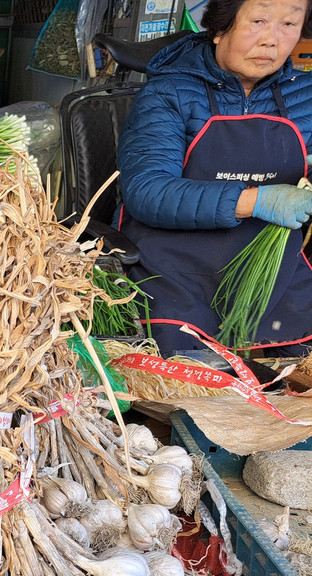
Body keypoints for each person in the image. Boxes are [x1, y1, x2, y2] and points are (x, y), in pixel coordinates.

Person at [117, 0, 312, 356]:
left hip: (273, 275)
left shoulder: (306, 97)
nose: (272, 40)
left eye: (289, 24)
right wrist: (258, 201)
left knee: (293, 380)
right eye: (258, 21)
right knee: (185, 381)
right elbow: (148, 191)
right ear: (221, 26)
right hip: (173, 270)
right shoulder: (169, 93)